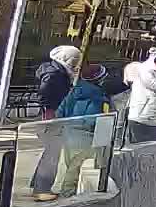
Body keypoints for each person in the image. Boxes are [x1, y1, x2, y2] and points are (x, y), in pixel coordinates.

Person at [46, 64, 113, 199]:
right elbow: (103, 122)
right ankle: (68, 195)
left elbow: (59, 113)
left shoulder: (73, 92)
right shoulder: (100, 98)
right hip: (87, 136)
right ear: (99, 79)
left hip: (68, 133)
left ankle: (60, 191)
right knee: (76, 167)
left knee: (66, 165)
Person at [30, 46, 81, 197]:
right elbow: (46, 95)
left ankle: (39, 184)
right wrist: (52, 112)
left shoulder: (56, 72)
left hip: (54, 116)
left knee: (51, 152)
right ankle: (42, 189)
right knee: (53, 153)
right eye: (74, 60)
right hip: (53, 118)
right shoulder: (55, 75)